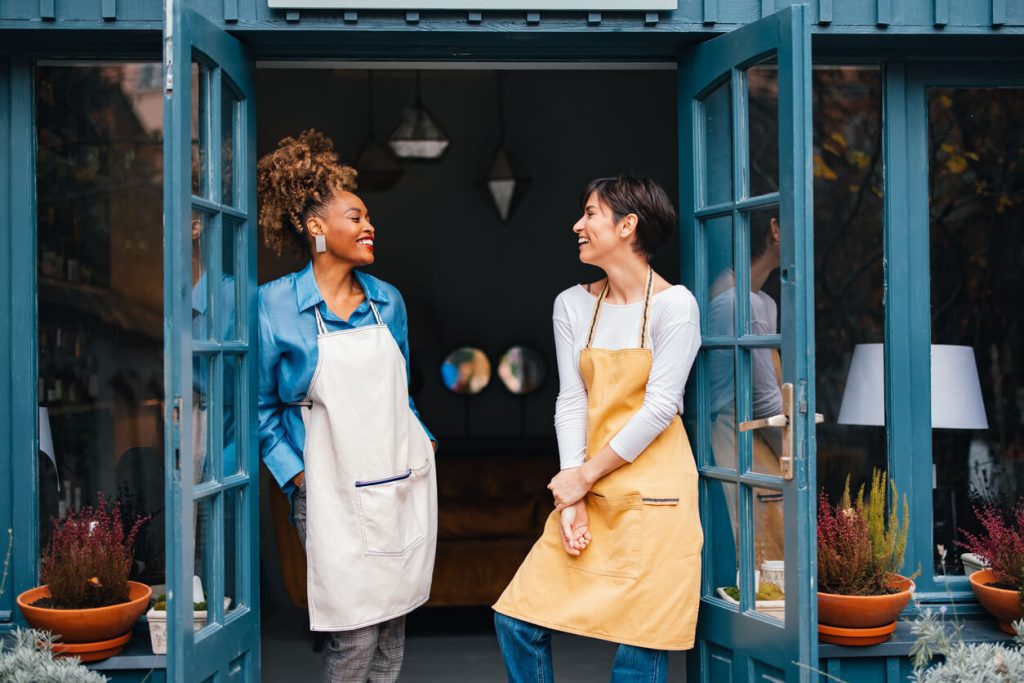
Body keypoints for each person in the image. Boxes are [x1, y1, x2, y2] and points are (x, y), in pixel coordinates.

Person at [493, 175, 702, 682]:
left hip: (656, 498)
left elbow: (659, 408)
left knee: (638, 653)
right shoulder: (572, 304)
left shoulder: (676, 306)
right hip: (591, 484)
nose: (577, 225)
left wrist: (584, 477)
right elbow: (572, 401)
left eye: (590, 213)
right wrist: (574, 494)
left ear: (627, 225)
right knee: (517, 619)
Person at [256, 129, 438, 683]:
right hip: (327, 487)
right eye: (355, 217)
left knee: (390, 628)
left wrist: (423, 439)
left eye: (367, 218)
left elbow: (399, 392)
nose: (368, 226)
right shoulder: (274, 305)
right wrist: (300, 478)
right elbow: (261, 407)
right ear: (316, 226)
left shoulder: (387, 300)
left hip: (395, 477)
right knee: (353, 635)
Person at [707, 215, 785, 578]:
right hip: (732, 438)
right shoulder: (743, 303)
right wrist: (797, 454)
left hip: (743, 435)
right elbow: (767, 404)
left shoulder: (763, 303)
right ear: (775, 229)